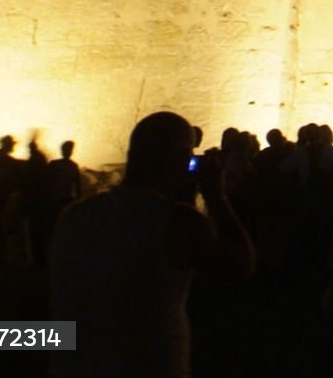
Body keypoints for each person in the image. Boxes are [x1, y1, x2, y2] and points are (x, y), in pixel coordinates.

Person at [49, 110, 255, 377]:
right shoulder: (177, 221)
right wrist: (217, 197)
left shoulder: (74, 216)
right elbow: (241, 265)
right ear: (180, 159)